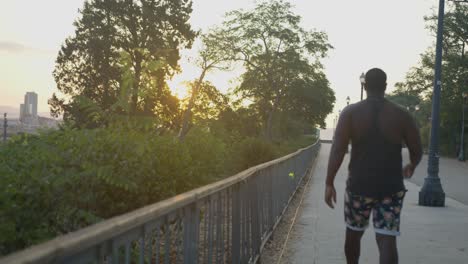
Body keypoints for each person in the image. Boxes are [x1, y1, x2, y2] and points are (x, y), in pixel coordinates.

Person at [324, 68, 422, 264]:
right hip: (391, 188)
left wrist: (329, 182)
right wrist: (412, 164)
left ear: (364, 85)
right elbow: (417, 147)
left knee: (353, 234)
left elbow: (337, 150)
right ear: (385, 87)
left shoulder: (351, 113)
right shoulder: (401, 115)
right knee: (387, 238)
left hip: (359, 186)